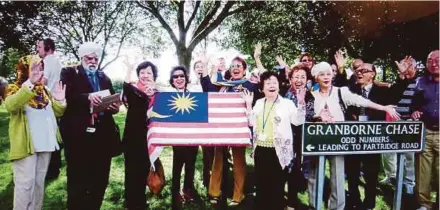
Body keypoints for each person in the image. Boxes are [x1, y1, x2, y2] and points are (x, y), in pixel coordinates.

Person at [307, 62, 399, 210]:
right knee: (314, 175)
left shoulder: (340, 91)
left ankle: (337, 207)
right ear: (316, 78)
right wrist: (318, 118)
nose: (326, 77)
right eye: (322, 74)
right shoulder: (310, 94)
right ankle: (314, 206)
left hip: (338, 141)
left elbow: (361, 101)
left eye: (328, 74)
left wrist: (384, 108)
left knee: (337, 177)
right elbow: (307, 115)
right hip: (316, 142)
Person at [59, 42, 122, 210]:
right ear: (82, 58)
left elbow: (108, 102)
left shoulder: (104, 77)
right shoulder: (69, 72)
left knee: (100, 180)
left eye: (96, 58)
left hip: (103, 136)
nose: (93, 61)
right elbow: (65, 97)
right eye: (89, 58)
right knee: (77, 181)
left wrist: (114, 108)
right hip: (78, 137)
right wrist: (87, 97)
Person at [4, 55, 66, 210]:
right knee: (25, 186)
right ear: (24, 69)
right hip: (27, 146)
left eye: (41, 67)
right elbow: (11, 106)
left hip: (46, 143)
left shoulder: (44, 90)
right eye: (35, 67)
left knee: (39, 184)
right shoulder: (14, 88)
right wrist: (30, 82)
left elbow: (57, 112)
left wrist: (60, 100)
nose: (40, 71)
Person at [242, 71, 306, 210]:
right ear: (262, 88)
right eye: (268, 83)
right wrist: (248, 105)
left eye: (274, 82)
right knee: (262, 185)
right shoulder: (259, 103)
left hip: (279, 152)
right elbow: (251, 122)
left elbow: (298, 120)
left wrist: (301, 102)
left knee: (277, 186)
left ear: (279, 86)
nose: (272, 85)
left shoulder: (287, 103)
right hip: (260, 150)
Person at [201, 56, 257, 206]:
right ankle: (214, 193)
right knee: (217, 159)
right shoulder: (223, 86)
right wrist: (206, 66)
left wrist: (257, 59)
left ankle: (238, 195)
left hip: (239, 129)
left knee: (239, 161)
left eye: (239, 66)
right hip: (222, 129)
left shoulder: (250, 85)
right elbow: (208, 89)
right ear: (230, 70)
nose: (236, 68)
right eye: (233, 66)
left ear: (244, 70)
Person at [344, 63, 389, 210]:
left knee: (371, 173)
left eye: (364, 71)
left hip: (373, 138)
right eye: (357, 70)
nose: (359, 73)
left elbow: (396, 94)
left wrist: (403, 76)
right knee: (352, 171)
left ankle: (369, 204)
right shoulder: (352, 90)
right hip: (354, 137)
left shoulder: (382, 91)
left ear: (373, 74)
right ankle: (353, 200)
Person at [163, 66, 202, 209]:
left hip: (193, 134)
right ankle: (175, 192)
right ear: (172, 81)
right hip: (177, 136)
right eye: (175, 77)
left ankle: (188, 189)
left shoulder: (194, 92)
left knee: (191, 164)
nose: (179, 79)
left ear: (186, 78)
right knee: (177, 165)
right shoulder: (168, 94)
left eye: (181, 76)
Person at [122, 59, 158, 210]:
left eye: (148, 72)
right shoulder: (133, 89)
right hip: (132, 137)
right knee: (131, 170)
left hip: (148, 137)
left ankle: (141, 201)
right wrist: (129, 70)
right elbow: (125, 87)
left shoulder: (157, 92)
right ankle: (130, 201)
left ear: (154, 75)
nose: (145, 75)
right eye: (142, 72)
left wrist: (154, 93)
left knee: (144, 169)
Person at [284, 64, 315, 209]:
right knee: (290, 168)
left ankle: (307, 201)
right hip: (288, 137)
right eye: (296, 76)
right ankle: (290, 200)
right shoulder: (285, 94)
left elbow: (310, 115)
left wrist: (302, 101)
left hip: (305, 137)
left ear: (307, 80)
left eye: (303, 77)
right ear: (290, 79)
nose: (299, 80)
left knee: (305, 169)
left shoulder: (310, 95)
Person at [413, 50, 439, 210]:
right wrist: (414, 111)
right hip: (426, 132)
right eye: (430, 60)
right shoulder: (420, 82)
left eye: (438, 59)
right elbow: (413, 105)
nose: (434, 63)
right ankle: (424, 204)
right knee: (423, 172)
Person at [36, 38, 64, 180]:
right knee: (55, 134)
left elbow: (43, 81)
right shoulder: (58, 60)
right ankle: (54, 168)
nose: (37, 49)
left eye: (39, 47)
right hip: (56, 102)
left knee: (50, 136)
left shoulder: (48, 61)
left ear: (47, 47)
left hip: (48, 102)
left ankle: (51, 170)